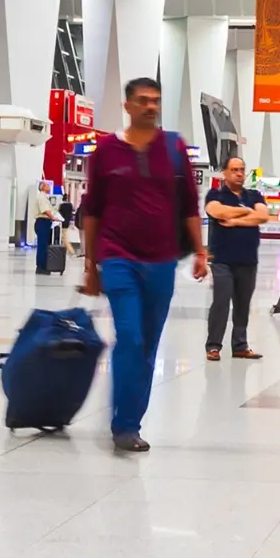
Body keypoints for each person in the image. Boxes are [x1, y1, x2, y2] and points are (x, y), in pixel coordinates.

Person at [79, 77, 208, 453]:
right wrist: (91, 264)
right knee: (130, 337)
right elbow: (93, 210)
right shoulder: (105, 150)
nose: (151, 107)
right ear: (128, 106)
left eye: (156, 101)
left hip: (161, 261)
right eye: (143, 100)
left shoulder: (173, 148)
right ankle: (124, 426)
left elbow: (189, 205)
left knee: (148, 345)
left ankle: (130, 420)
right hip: (118, 256)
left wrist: (200, 251)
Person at [203, 156, 269, 362]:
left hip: (248, 259)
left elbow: (263, 216)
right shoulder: (216, 194)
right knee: (221, 301)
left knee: (243, 304)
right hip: (222, 259)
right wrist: (245, 211)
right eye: (234, 170)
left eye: (241, 169)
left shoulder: (254, 195)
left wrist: (235, 220)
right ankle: (213, 345)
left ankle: (240, 345)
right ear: (224, 172)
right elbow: (216, 210)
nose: (239, 173)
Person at [32, 183, 56, 274]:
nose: (49, 187)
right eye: (47, 185)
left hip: (44, 222)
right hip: (42, 222)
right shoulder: (42, 197)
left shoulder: (44, 197)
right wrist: (53, 217)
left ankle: (43, 265)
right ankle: (41, 267)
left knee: (45, 244)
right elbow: (45, 210)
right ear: (43, 188)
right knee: (42, 245)